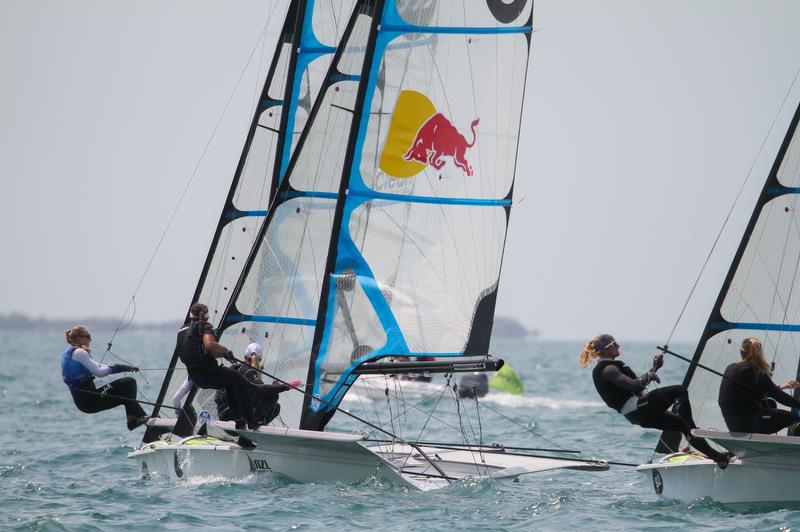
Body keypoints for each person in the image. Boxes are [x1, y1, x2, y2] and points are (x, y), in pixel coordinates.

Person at [580, 333, 731, 468]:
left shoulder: (610, 367)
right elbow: (634, 384)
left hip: (637, 414)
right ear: (605, 350)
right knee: (680, 391)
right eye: (614, 344)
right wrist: (651, 374)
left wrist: (655, 368)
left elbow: (637, 385)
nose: (618, 345)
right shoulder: (608, 370)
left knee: (681, 424)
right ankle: (693, 429)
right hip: (638, 409)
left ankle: (718, 458)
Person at [177, 303, 260, 430]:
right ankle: (251, 421)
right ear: (206, 316)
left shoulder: (182, 330)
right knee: (242, 383)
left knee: (230, 384)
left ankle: (239, 421)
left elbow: (197, 351)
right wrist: (226, 351)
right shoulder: (204, 326)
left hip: (196, 378)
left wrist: (222, 354)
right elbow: (210, 344)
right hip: (210, 373)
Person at [61, 325, 148, 430]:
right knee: (129, 383)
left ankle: (151, 430)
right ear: (79, 338)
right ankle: (132, 421)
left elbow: (99, 366)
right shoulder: (79, 353)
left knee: (127, 395)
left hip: (84, 401)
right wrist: (119, 368)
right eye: (88, 336)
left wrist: (125, 368)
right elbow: (99, 372)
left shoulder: (70, 352)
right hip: (89, 400)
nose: (90, 339)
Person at [718, 336, 800, 434]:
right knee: (795, 419)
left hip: (733, 425)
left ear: (741, 352)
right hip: (750, 424)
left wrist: (783, 387)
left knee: (770, 403)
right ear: (760, 353)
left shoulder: (730, 368)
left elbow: (754, 393)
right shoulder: (755, 370)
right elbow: (780, 397)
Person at [214, 342, 299, 425]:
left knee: (275, 407)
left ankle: (251, 428)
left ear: (244, 356)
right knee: (273, 396)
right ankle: (251, 421)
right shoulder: (247, 371)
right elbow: (261, 390)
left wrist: (274, 387)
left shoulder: (239, 368)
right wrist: (286, 386)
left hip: (226, 413)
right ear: (260, 359)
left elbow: (257, 389)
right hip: (230, 416)